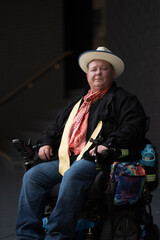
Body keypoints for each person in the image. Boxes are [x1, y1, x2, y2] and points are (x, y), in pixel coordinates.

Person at [16, 46, 147, 240]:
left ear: (112, 73)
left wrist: (109, 144)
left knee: (73, 174)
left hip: (97, 160)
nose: (98, 73)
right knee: (32, 176)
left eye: (103, 68)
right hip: (68, 158)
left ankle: (57, 235)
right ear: (87, 75)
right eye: (93, 69)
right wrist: (46, 142)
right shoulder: (78, 102)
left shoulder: (125, 100)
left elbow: (132, 128)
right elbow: (54, 127)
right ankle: (27, 235)